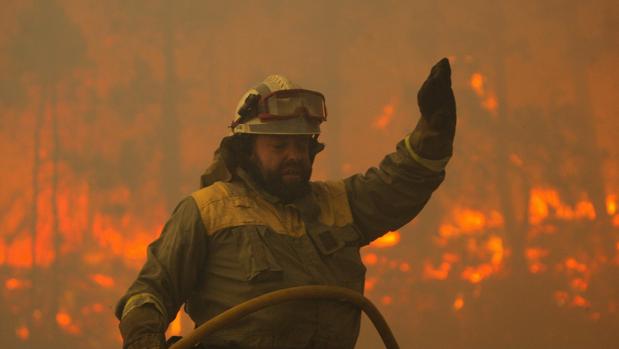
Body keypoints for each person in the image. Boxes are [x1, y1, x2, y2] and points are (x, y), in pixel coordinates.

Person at [116, 58, 457, 349]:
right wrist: (143, 337)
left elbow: (399, 184)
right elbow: (149, 292)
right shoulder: (207, 211)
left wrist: (434, 130)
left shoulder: (338, 203)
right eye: (279, 147)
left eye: (300, 145)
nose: (294, 156)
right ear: (248, 149)